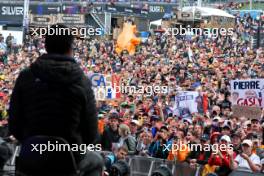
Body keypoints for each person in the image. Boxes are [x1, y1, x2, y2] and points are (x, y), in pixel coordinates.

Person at [8, 24, 100, 174]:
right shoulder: (82, 81)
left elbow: (14, 124)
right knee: (96, 160)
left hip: (31, 157)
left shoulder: (25, 76)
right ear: (71, 47)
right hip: (69, 160)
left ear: (46, 46)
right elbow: (91, 134)